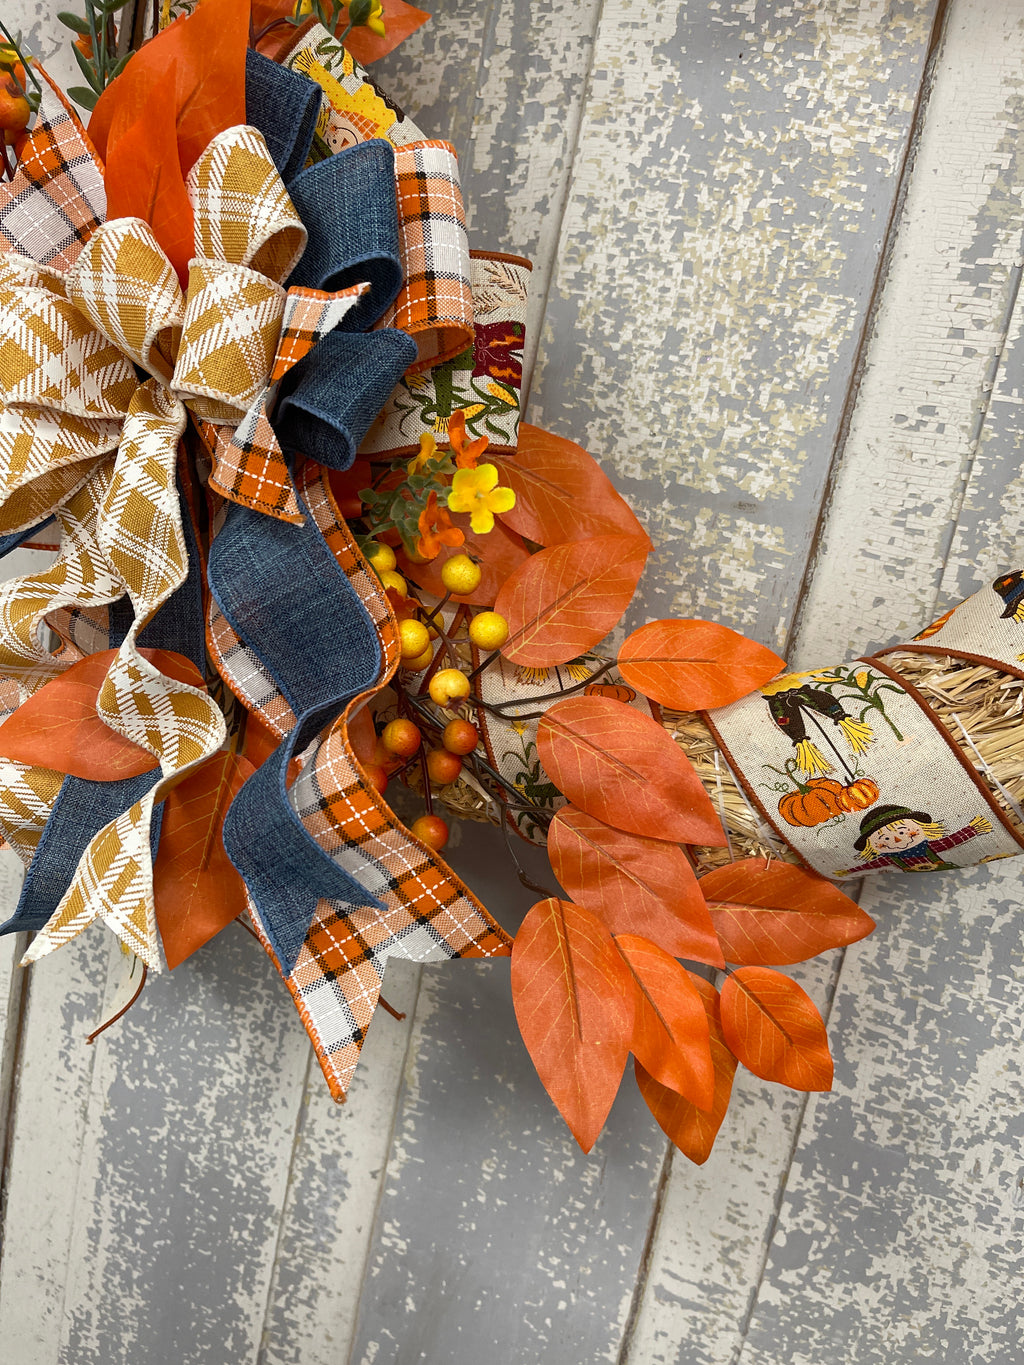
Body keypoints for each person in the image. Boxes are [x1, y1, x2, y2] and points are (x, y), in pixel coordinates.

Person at [838, 803, 992, 874]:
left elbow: (951, 840)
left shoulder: (927, 848)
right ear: (872, 845)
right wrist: (849, 871)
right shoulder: (890, 859)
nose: (897, 840)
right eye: (885, 838)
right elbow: (869, 866)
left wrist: (974, 829)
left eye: (903, 831)